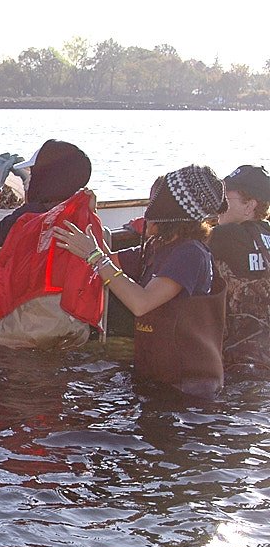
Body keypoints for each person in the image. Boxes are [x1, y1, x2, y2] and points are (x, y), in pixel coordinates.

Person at [54, 165, 228, 398]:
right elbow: (111, 261)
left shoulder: (190, 254)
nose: (147, 211)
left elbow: (141, 303)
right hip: (161, 376)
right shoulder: (158, 247)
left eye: (152, 203)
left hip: (189, 388)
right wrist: (90, 216)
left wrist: (94, 257)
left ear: (168, 212)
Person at [0, 140, 97, 348]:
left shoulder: (27, 214)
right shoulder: (84, 209)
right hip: (73, 321)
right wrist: (27, 182)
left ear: (45, 178)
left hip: (29, 326)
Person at [208, 165, 270, 370]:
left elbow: (180, 245)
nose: (218, 204)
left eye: (225, 199)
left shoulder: (225, 236)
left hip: (236, 359)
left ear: (249, 206)